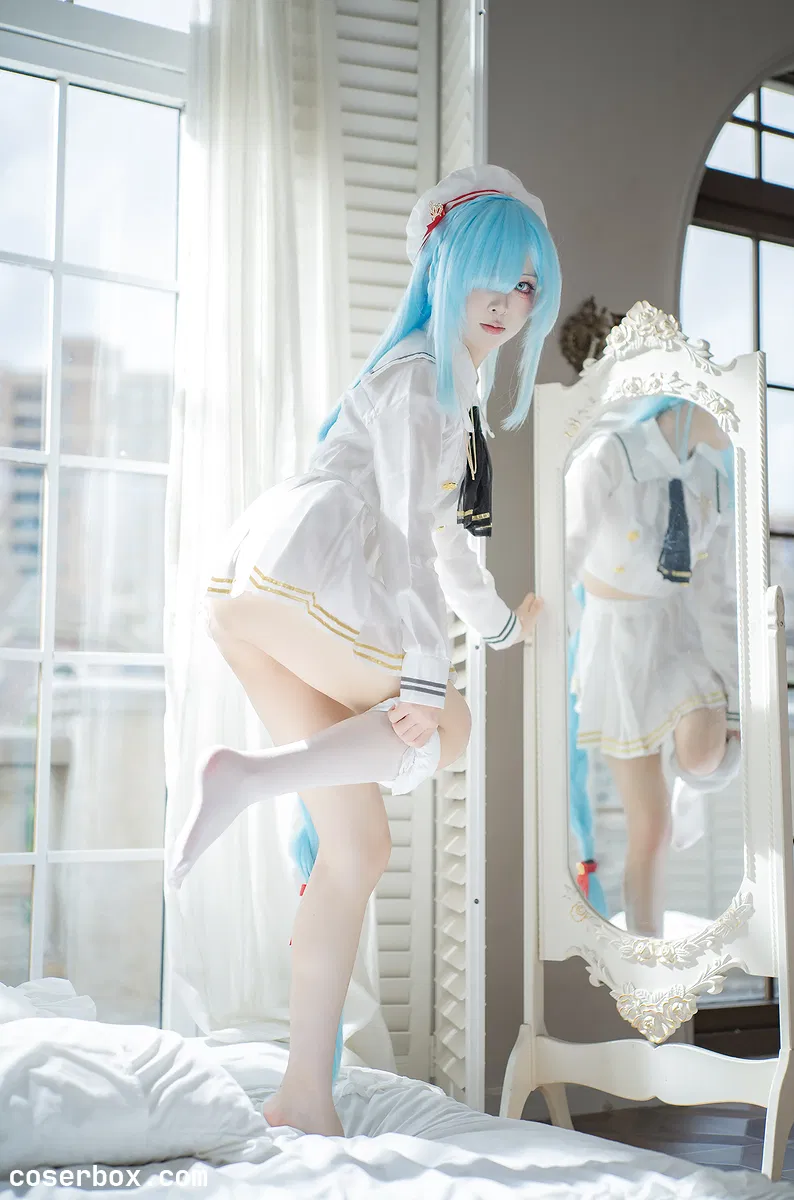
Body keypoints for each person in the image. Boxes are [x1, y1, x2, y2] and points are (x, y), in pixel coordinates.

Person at [167, 165, 562, 1136]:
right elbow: (402, 536)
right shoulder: (423, 382)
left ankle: (303, 1094)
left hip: (263, 597)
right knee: (450, 726)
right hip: (306, 583)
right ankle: (251, 775)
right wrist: (428, 676)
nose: (505, 303)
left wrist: (500, 627)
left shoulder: (444, 387)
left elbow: (445, 546)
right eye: (488, 277)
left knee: (357, 849)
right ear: (441, 270)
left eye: (523, 285)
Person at [565, 395, 740, 938]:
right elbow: (564, 554)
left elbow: (717, 597)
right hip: (614, 642)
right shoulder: (610, 456)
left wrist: (735, 699)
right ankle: (647, 948)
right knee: (651, 825)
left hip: (679, 634)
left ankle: (693, 780)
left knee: (704, 753)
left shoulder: (716, 484)